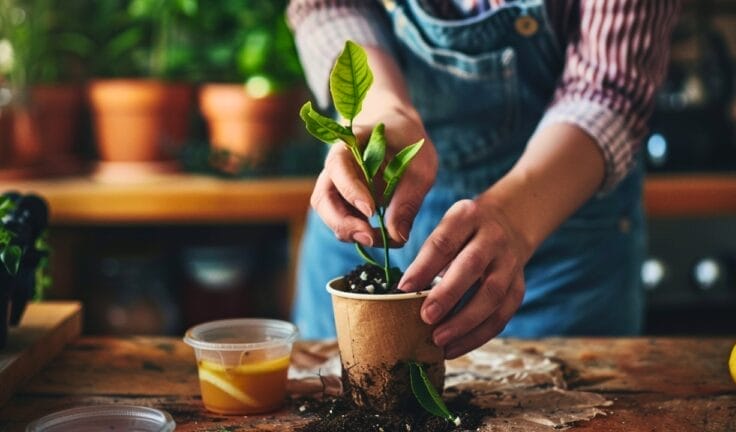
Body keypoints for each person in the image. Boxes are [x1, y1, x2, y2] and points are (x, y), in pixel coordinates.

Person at [287, 0, 680, 359]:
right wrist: (381, 108)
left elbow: (608, 89)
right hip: (368, 202)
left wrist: (513, 220)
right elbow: (329, 7)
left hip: (555, 223)